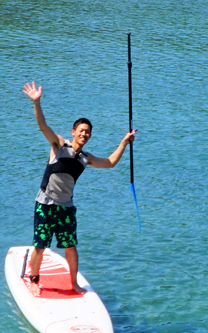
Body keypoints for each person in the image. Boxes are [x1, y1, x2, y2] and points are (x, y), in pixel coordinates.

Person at [21, 81, 133, 294]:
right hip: (45, 203)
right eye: (81, 130)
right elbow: (43, 126)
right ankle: (34, 279)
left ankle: (74, 284)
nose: (84, 134)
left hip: (66, 207)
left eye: (88, 132)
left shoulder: (85, 158)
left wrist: (124, 143)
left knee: (71, 247)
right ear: (73, 131)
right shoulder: (59, 145)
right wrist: (37, 102)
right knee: (40, 246)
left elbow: (109, 163)